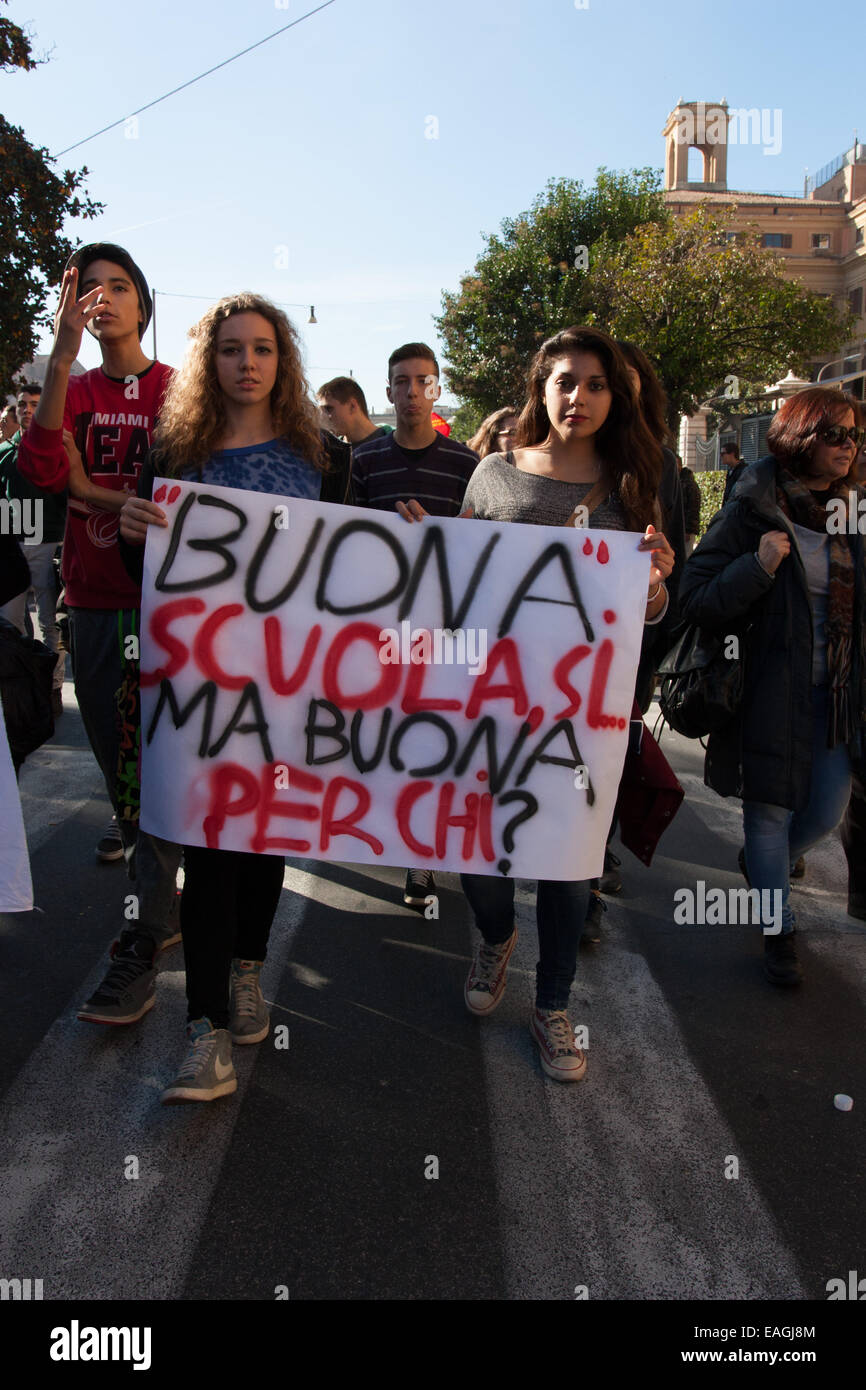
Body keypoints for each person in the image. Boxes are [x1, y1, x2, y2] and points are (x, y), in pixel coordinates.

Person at [397, 325, 675, 1081]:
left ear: (614, 397)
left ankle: (553, 1008)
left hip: (581, 717)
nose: (577, 397)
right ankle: (494, 936)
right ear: (540, 389)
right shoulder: (493, 473)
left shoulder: (635, 482)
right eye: (563, 381)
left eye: (594, 384)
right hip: (487, 705)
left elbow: (649, 610)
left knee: (567, 866)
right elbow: (456, 586)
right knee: (480, 862)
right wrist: (425, 550)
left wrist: (653, 586)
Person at [118, 292, 353, 1103]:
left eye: (261, 348)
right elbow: (143, 578)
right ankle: (206, 1029)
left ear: (282, 361)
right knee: (213, 845)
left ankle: (249, 968)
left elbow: (350, 575)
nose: (246, 362)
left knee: (263, 841)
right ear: (207, 362)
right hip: (200, 692)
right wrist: (130, 537)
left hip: (290, 688)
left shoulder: (323, 457)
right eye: (229, 349)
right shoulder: (176, 450)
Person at [16, 243, 184, 1023]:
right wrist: (59, 353)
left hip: (171, 606)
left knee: (158, 762)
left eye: (120, 287)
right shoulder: (73, 385)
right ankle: (157, 895)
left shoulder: (180, 393)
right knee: (119, 765)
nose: (104, 299)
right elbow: (45, 469)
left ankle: (150, 927)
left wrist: (97, 492)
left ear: (143, 305)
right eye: (89, 289)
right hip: (94, 600)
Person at [679, 388, 866, 985]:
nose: (849, 446)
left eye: (854, 435)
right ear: (801, 437)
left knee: (823, 813)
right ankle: (777, 932)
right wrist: (756, 567)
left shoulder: (853, 514)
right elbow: (697, 600)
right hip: (767, 691)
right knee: (767, 817)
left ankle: (768, 872)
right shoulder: (752, 508)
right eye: (835, 434)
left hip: (836, 696)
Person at [353, 341, 479, 910]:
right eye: (401, 381)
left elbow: (479, 552)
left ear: (437, 389)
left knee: (430, 745)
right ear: (388, 392)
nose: (412, 392)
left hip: (444, 630)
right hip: (377, 631)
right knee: (383, 744)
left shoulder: (467, 467)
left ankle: (421, 859)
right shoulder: (363, 465)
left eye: (422, 381)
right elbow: (343, 549)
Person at [0, 383, 67, 717]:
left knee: (49, 620)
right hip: (12, 543)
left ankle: (53, 688)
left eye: (34, 405)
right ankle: (20, 688)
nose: (27, 410)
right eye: (23, 405)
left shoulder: (56, 448)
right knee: (10, 622)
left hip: (48, 542)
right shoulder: (4, 452)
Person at [317, 376, 390, 447]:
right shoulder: (328, 452)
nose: (324, 416)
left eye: (328, 409)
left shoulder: (393, 444)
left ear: (352, 406)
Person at [679, 456, 702, 555]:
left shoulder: (689, 484)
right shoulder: (676, 482)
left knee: (686, 555)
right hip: (679, 528)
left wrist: (688, 530)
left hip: (686, 529)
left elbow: (693, 508)